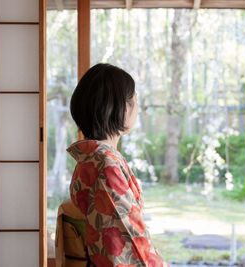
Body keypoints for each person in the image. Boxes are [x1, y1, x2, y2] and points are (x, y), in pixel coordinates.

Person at [66, 63, 169, 267]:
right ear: (117, 107)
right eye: (134, 98)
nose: (136, 105)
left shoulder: (94, 157)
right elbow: (129, 241)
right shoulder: (104, 164)